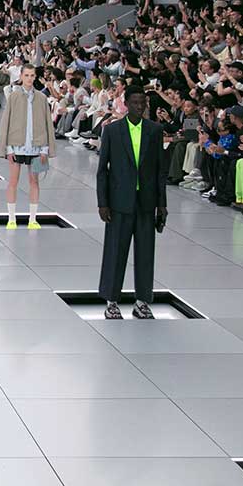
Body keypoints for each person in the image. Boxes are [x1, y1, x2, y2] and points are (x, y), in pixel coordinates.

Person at [95, 88, 167, 319]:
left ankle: (142, 301)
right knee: (115, 252)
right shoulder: (112, 130)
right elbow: (102, 170)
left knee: (145, 253)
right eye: (135, 102)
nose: (139, 106)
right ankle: (111, 301)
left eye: (142, 103)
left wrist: (162, 204)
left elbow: (160, 171)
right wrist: (102, 203)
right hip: (119, 202)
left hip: (146, 202)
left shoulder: (154, 130)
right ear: (125, 104)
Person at [0, 64, 55, 227]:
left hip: (37, 147)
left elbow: (47, 123)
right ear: (21, 76)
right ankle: (11, 219)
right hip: (16, 146)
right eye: (26, 75)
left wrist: (45, 148)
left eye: (32, 75)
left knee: (34, 182)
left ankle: (33, 219)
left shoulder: (42, 98)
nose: (29, 78)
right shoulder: (13, 97)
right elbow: (6, 122)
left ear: (35, 77)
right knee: (13, 181)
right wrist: (8, 148)